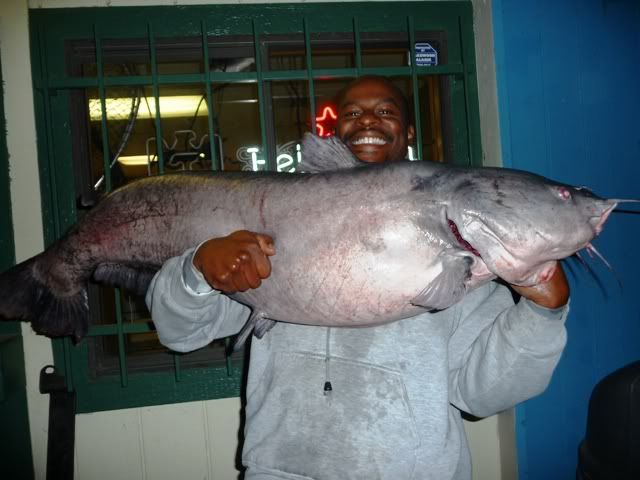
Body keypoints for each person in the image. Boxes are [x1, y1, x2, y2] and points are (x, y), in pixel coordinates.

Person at [146, 75, 569, 480]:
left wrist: (541, 315)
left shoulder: (465, 251)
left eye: (385, 111)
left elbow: (481, 395)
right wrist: (197, 269)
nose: (367, 121)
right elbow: (179, 333)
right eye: (352, 112)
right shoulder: (272, 217)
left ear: (408, 133)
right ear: (331, 126)